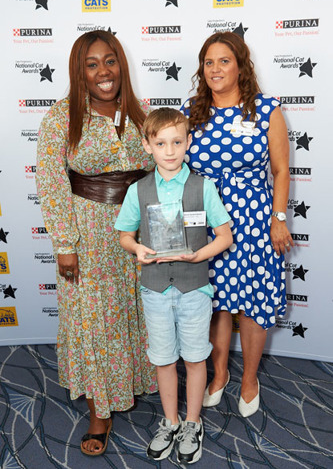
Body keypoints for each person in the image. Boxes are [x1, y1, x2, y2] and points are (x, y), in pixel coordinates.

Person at [36, 30, 157, 456]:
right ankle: (98, 412)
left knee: (133, 311)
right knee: (92, 321)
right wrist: (65, 243)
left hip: (138, 235)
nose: (103, 71)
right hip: (88, 237)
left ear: (121, 64)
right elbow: (51, 183)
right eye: (92, 64)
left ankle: (130, 383)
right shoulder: (62, 117)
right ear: (79, 72)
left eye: (110, 61)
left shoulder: (139, 114)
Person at [181, 31, 294, 418]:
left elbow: (280, 171)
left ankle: (249, 379)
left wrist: (278, 219)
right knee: (214, 303)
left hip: (254, 218)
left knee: (253, 301)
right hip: (206, 220)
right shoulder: (191, 110)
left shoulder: (264, 108)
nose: (215, 69)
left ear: (240, 65)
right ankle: (219, 374)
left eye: (224, 61)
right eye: (209, 62)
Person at [115, 108, 233, 464]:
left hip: (195, 288)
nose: (169, 150)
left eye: (177, 142)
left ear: (188, 143)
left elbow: (224, 237)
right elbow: (124, 235)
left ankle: (192, 423)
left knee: (196, 358)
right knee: (164, 360)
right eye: (161, 143)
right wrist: (137, 248)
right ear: (147, 145)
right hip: (154, 289)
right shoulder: (138, 190)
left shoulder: (203, 186)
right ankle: (170, 420)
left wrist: (199, 257)